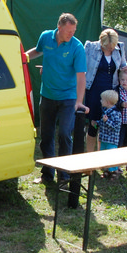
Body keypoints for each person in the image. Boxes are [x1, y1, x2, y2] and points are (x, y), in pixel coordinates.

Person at [26, 13, 87, 184]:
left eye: (73, 31)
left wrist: (79, 101)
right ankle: (47, 175)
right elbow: (37, 51)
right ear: (59, 27)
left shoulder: (77, 47)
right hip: (47, 95)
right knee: (46, 136)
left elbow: (81, 77)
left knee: (65, 134)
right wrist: (23, 57)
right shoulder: (46, 37)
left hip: (68, 97)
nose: (71, 34)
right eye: (68, 31)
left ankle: (64, 176)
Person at [82, 28, 127, 153]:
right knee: (93, 125)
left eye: (113, 46)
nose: (111, 49)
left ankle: (103, 157)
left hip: (112, 94)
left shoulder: (120, 48)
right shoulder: (90, 47)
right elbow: (80, 66)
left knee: (108, 127)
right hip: (94, 92)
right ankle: (89, 156)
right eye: (108, 46)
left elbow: (124, 65)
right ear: (101, 42)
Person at [97, 89, 122, 178]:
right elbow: (102, 122)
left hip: (111, 139)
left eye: (102, 100)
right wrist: (97, 123)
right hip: (104, 138)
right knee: (104, 154)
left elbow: (116, 126)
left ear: (107, 102)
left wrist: (107, 121)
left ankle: (114, 171)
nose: (101, 101)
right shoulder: (105, 111)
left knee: (111, 155)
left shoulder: (115, 113)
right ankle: (107, 170)